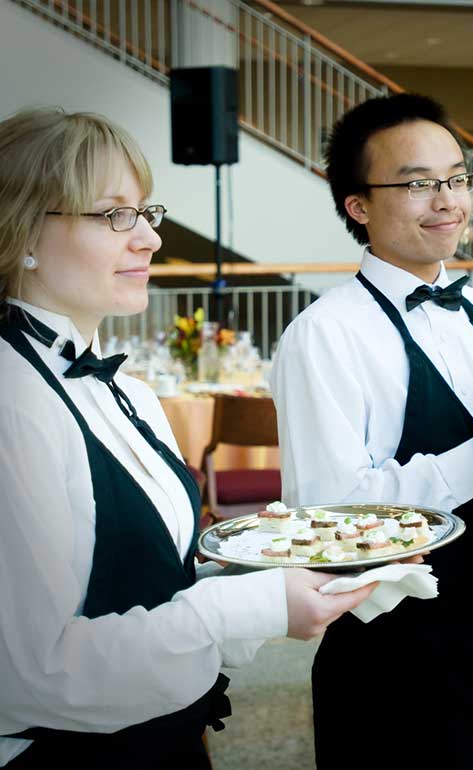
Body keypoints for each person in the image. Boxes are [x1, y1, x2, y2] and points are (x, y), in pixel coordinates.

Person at [0, 107, 377, 770]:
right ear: (23, 232)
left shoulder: (133, 393)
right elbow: (32, 675)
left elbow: (139, 584)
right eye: (114, 214)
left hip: (164, 743)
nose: (148, 238)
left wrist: (265, 580)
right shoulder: (13, 398)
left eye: (146, 212)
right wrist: (248, 605)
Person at [270, 93, 473, 770]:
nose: (447, 201)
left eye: (456, 178)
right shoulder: (325, 335)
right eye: (418, 183)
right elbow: (334, 521)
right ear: (357, 206)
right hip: (394, 657)